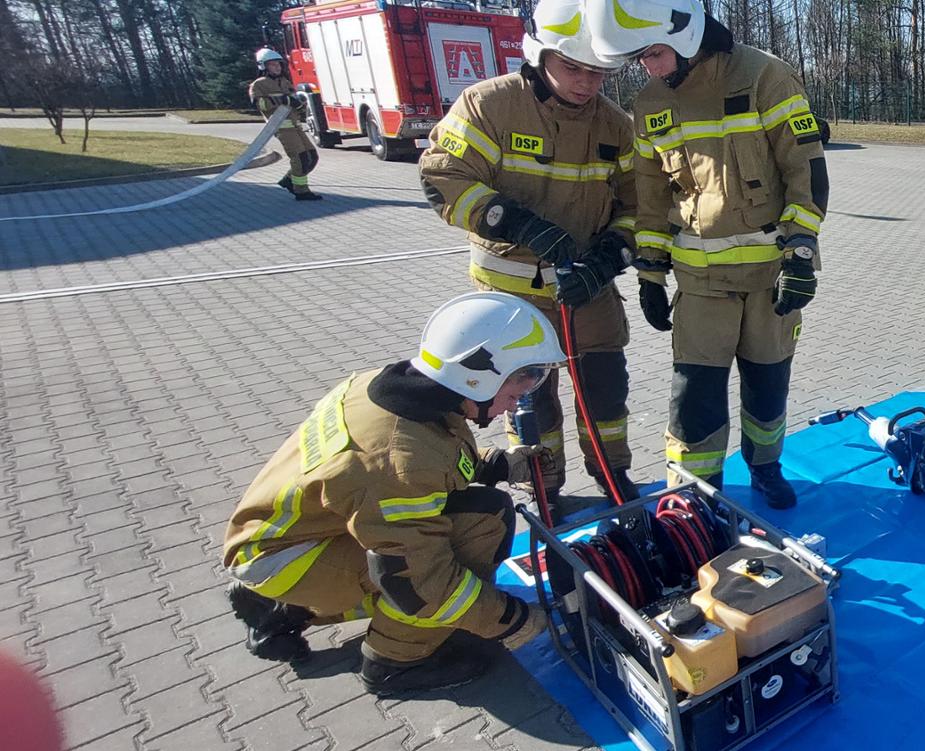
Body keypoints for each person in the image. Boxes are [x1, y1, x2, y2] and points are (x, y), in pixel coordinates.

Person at [222, 292, 560, 695]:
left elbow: (432, 456)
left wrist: (498, 464)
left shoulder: (391, 390)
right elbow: (424, 581)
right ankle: (396, 661)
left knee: (480, 511)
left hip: (287, 537)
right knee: (468, 539)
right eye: (523, 377)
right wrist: (515, 621)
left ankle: (282, 609)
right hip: (285, 559)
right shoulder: (399, 459)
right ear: (479, 374)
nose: (524, 393)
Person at [588, 0, 828, 508]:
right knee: (694, 396)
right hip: (700, 284)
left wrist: (802, 250)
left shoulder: (765, 75)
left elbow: (806, 171)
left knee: (768, 385)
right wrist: (651, 272)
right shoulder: (650, 102)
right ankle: (697, 493)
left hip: (770, 279)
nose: (648, 67)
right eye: (640, 59)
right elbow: (651, 196)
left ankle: (765, 468)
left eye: (653, 54)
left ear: (685, 35)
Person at [418, 0, 641, 502]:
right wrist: (520, 225)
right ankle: (543, 484)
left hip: (589, 289)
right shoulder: (490, 105)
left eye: (599, 73)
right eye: (573, 68)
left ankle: (612, 474)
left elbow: (639, 206)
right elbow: (444, 177)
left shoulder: (615, 125)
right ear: (540, 54)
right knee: (528, 402)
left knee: (605, 395)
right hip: (509, 299)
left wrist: (608, 258)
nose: (586, 82)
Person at [249, 47, 322, 201]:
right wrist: (283, 100)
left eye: (279, 64)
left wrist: (299, 104)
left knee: (311, 156)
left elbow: (293, 101)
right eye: (273, 65)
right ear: (263, 66)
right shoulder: (259, 85)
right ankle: (301, 191)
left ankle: (289, 180)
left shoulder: (285, 82)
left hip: (295, 125)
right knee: (300, 157)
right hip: (281, 127)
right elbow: (261, 105)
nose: (277, 67)